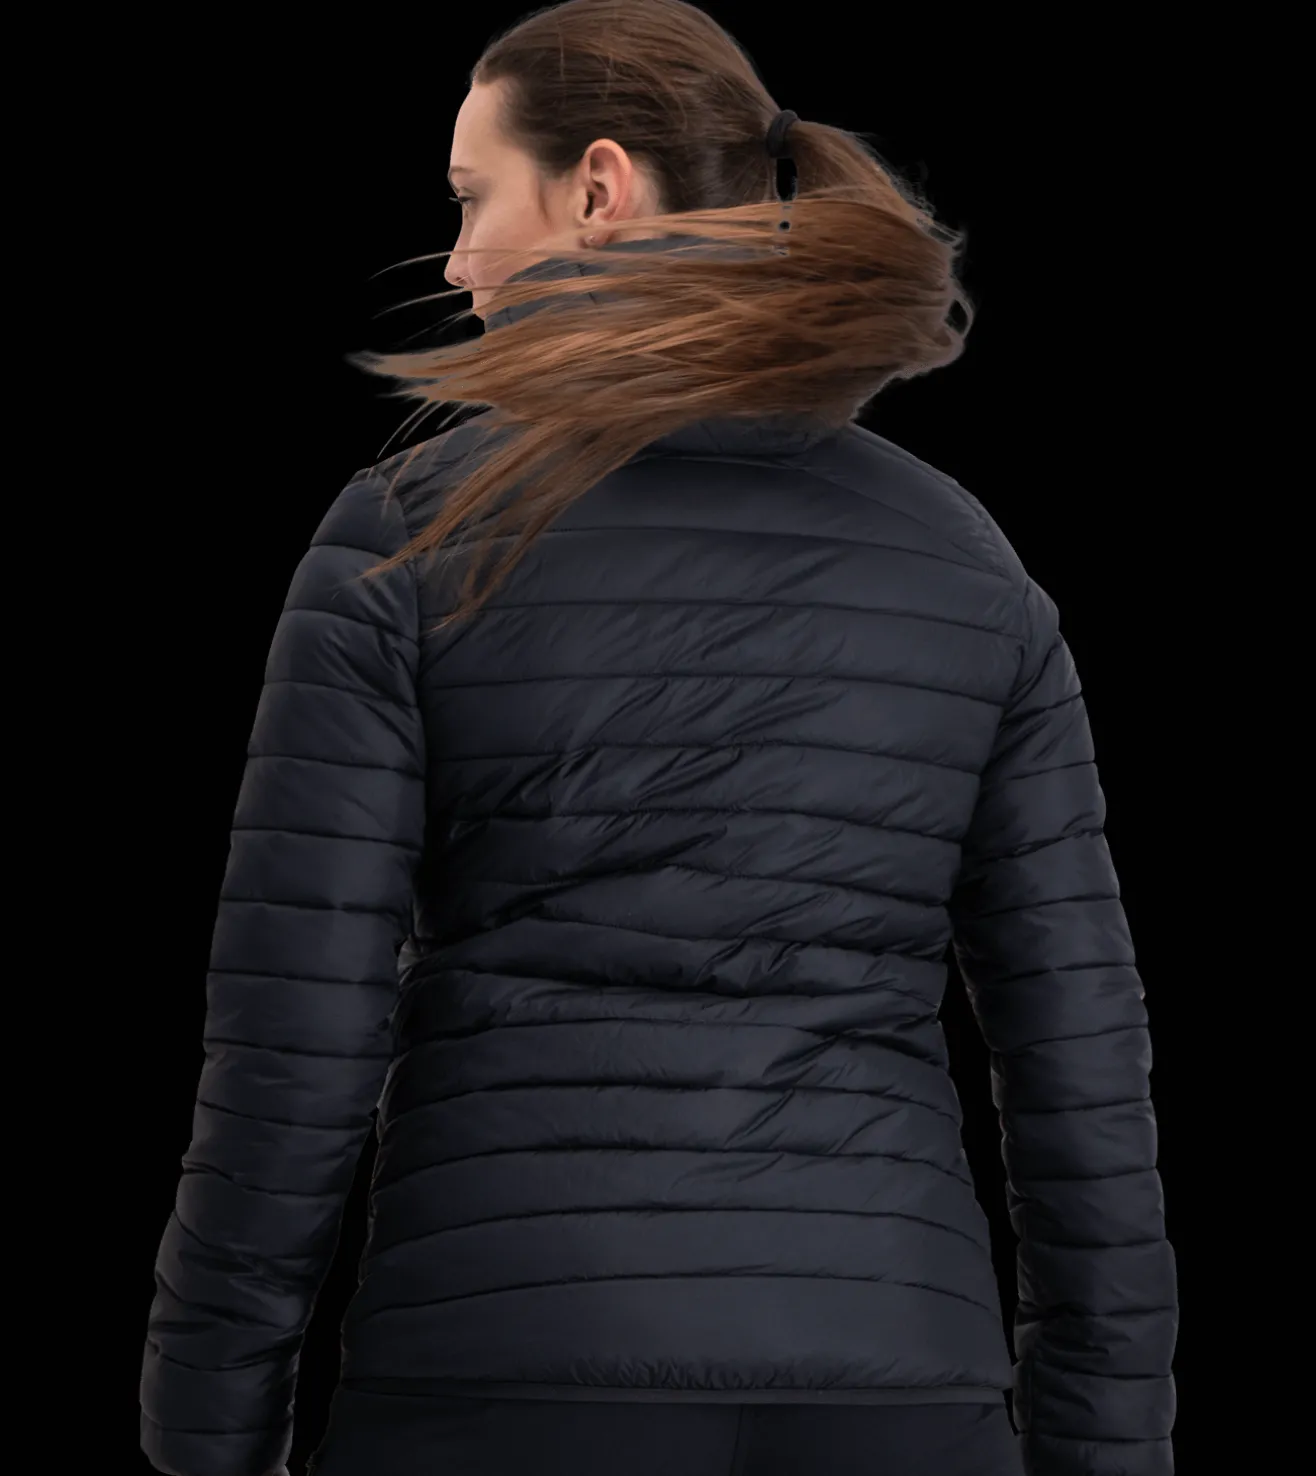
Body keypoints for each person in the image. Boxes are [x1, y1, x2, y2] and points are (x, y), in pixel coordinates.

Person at [137, 2, 1177, 1474]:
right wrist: (1106, 1445)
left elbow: (293, 1049)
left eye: (471, 198)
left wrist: (206, 1432)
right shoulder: (963, 561)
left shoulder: (412, 536)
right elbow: (1081, 1058)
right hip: (893, 1389)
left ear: (599, 188)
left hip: (506, 1378)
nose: (457, 263)